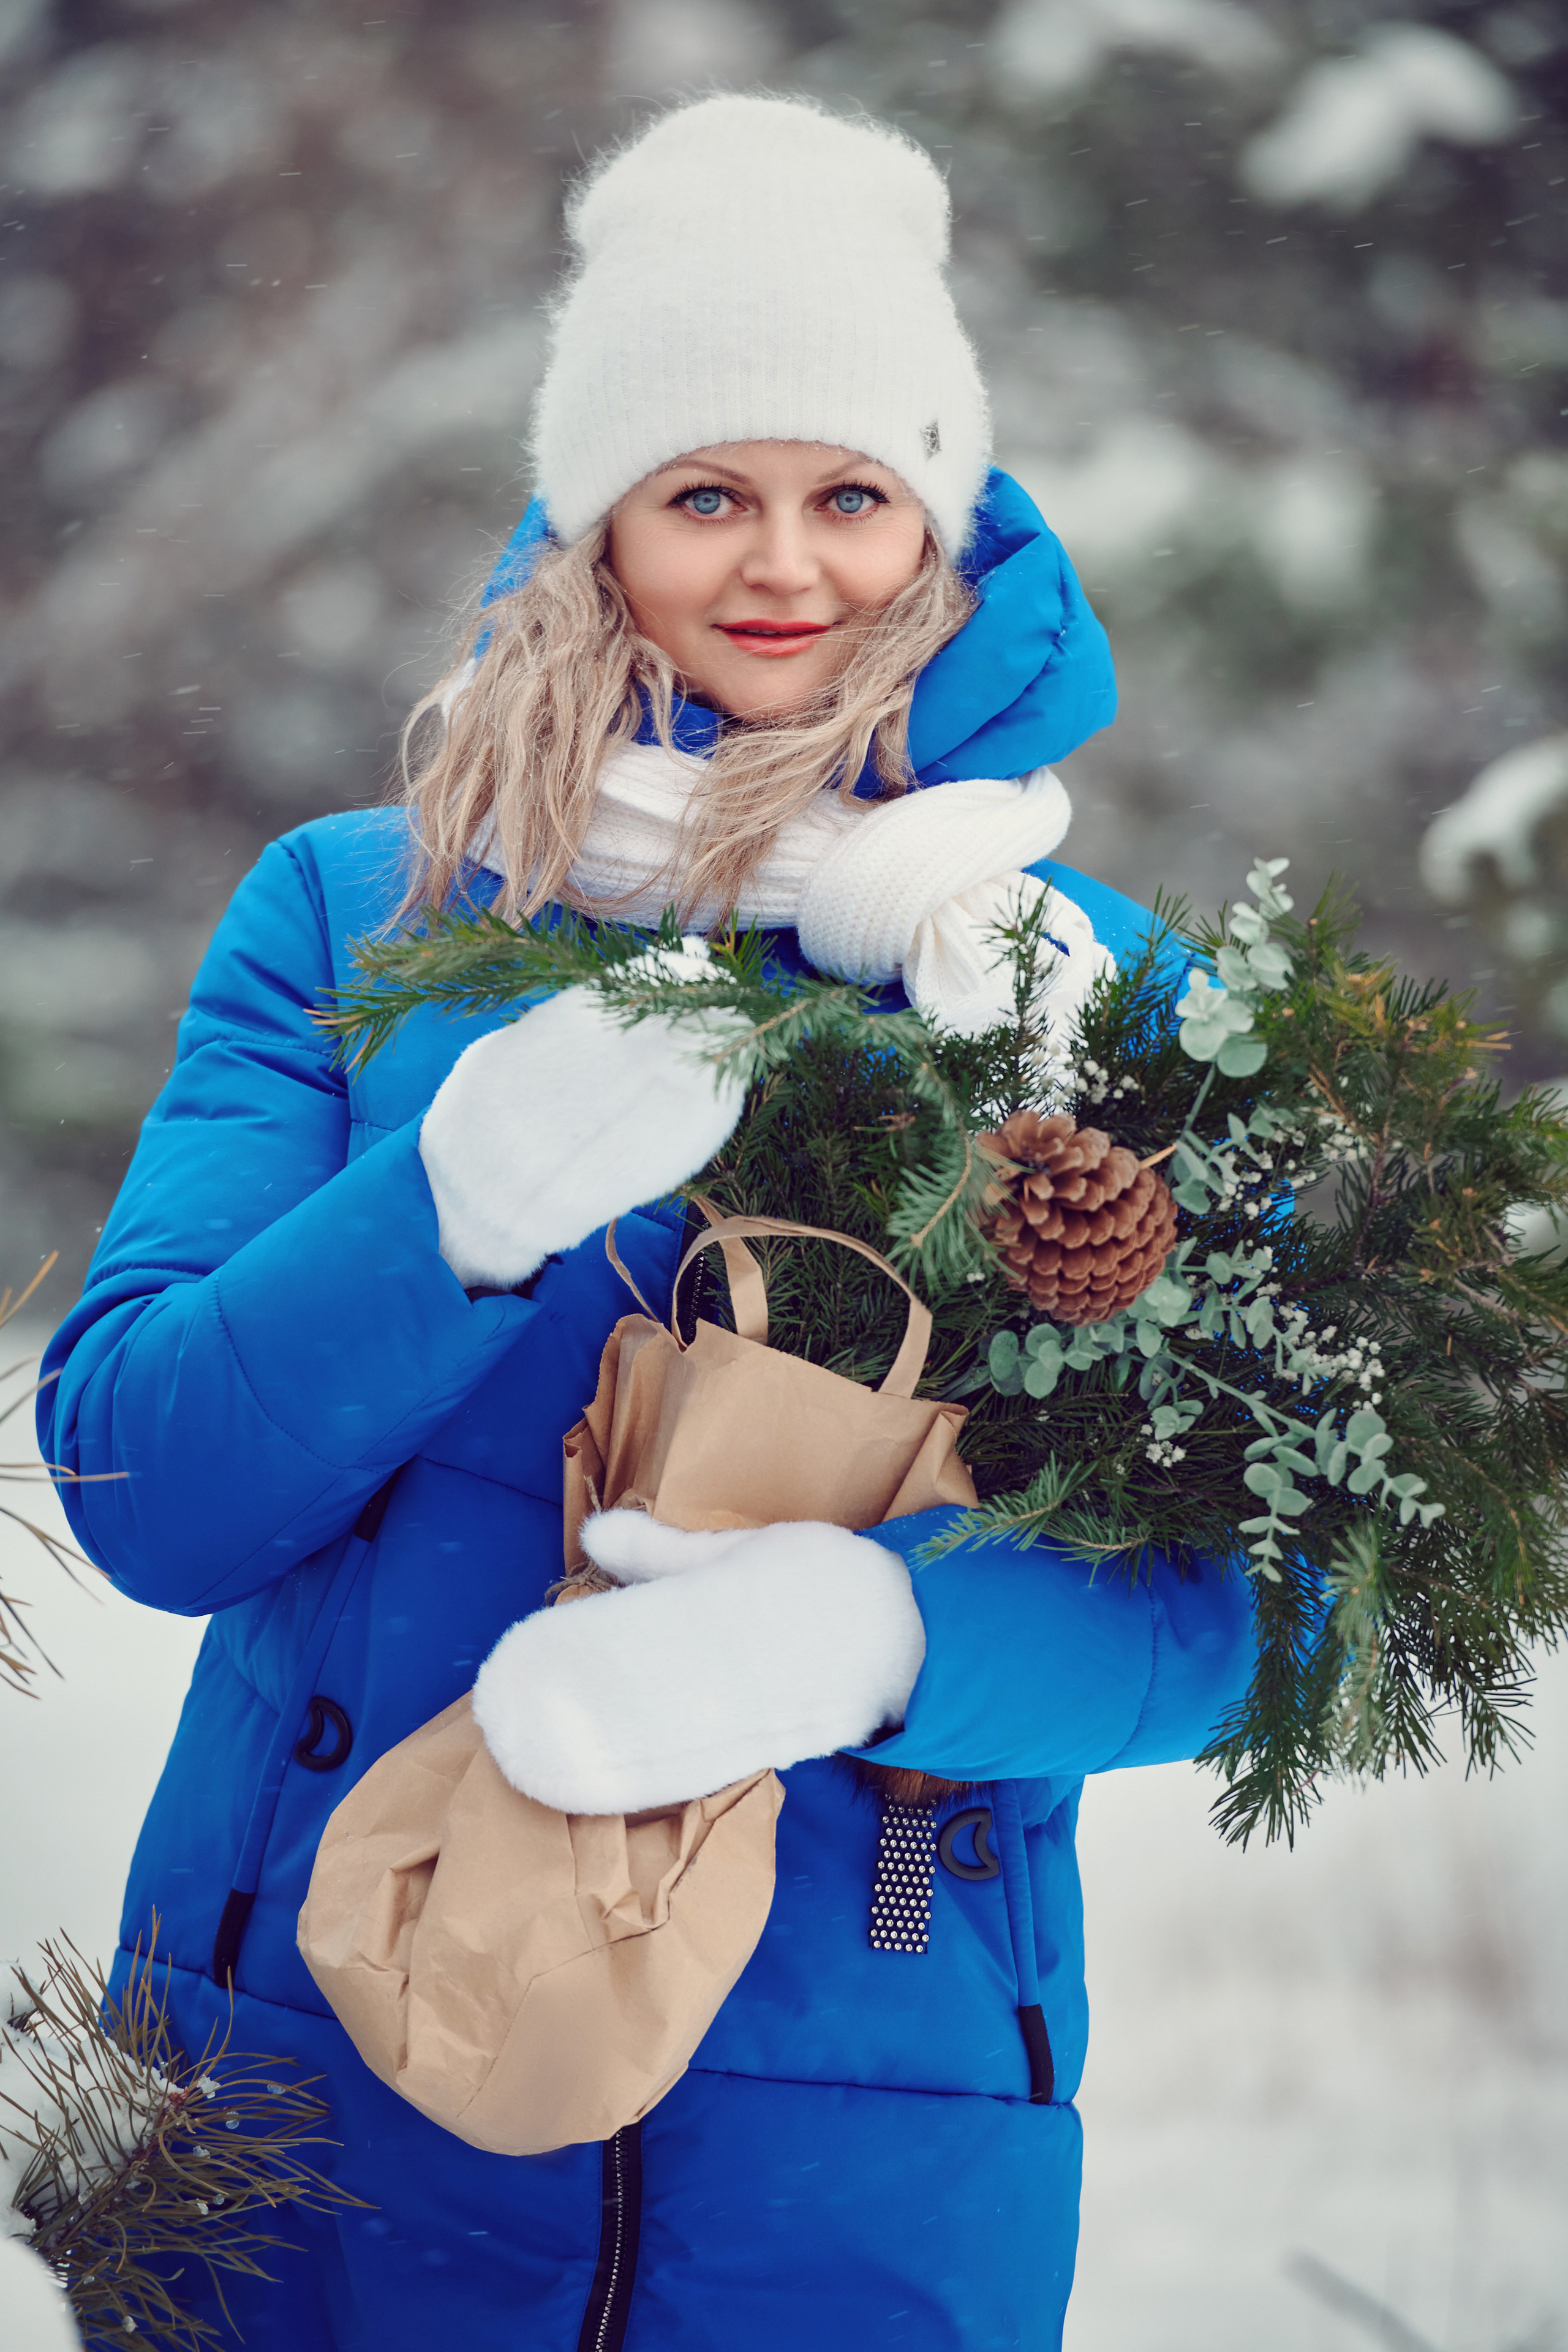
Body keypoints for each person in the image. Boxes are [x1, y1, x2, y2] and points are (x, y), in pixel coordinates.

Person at [40, 96, 1254, 2352]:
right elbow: (144, 1490)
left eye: (850, 496)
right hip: (315, 2058)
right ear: (599, 518)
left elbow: (1252, 1607)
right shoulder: (358, 914)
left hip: (859, 2101)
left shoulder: (1096, 994)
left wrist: (879, 1642)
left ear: (941, 523)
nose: (785, 566)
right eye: (706, 493)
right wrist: (448, 1217)